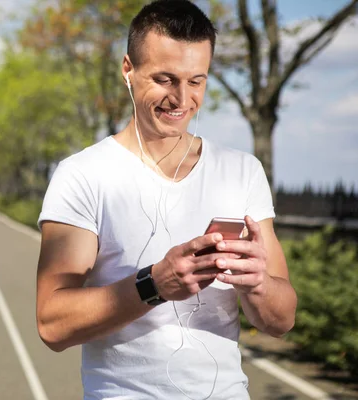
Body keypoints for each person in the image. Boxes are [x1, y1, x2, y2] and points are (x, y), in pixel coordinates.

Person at [35, 0, 297, 399]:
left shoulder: (242, 171)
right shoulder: (82, 175)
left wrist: (258, 284)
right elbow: (52, 324)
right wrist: (153, 284)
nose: (182, 99)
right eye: (165, 79)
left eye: (196, 81)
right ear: (128, 70)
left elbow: (281, 321)